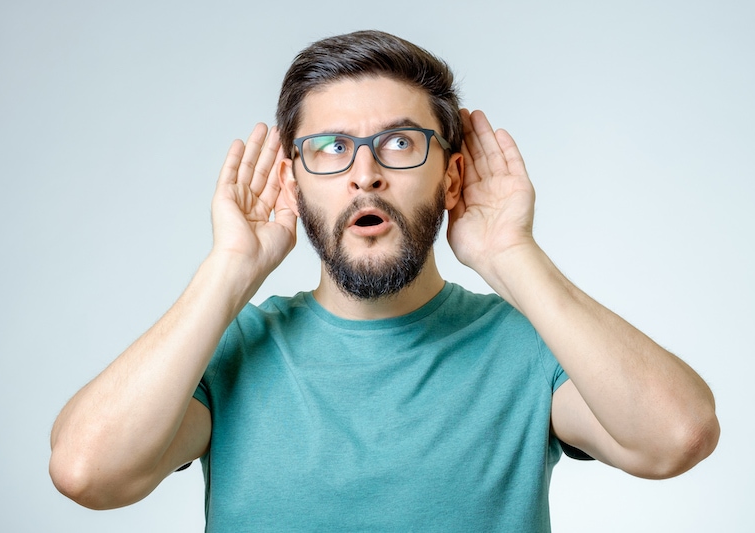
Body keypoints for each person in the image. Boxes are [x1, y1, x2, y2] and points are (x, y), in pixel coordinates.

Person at [49, 30, 719, 531]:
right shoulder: (229, 350)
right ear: (293, 180)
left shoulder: (531, 347)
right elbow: (86, 471)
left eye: (400, 143)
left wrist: (509, 252)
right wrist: (230, 269)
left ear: (450, 176)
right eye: (330, 148)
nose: (364, 174)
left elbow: (677, 436)